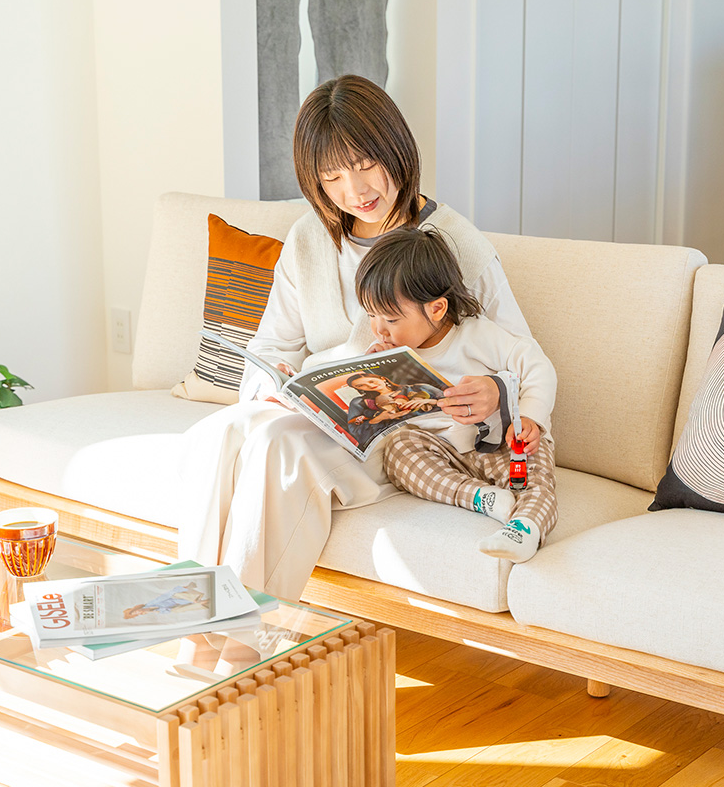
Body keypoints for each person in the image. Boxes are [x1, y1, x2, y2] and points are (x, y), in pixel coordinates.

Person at [176, 74, 536, 597]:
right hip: (326, 418)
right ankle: (193, 612)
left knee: (278, 446)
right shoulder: (308, 239)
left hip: (419, 437)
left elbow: (522, 360)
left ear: (396, 149)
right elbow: (269, 348)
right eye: (332, 177)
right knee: (220, 433)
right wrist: (274, 390)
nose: (356, 190)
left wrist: (495, 392)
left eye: (366, 164)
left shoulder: (455, 242)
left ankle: (240, 635)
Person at [357, 226, 558, 563]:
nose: (378, 329)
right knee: (399, 449)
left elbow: (538, 366)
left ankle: (524, 529)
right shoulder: (392, 351)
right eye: (371, 315)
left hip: (505, 443)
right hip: (446, 452)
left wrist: (531, 417)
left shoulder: (478, 335)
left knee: (536, 480)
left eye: (390, 319)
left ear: (436, 309)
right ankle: (482, 498)